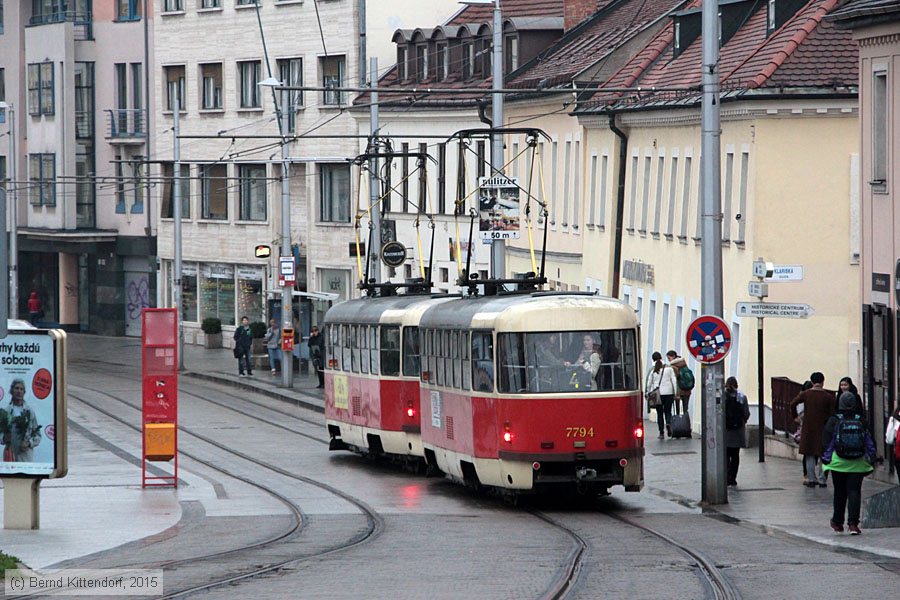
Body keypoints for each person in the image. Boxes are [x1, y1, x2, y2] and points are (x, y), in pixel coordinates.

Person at [821, 391, 876, 535]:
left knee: (839, 491)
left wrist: (825, 458)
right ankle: (853, 524)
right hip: (858, 462)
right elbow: (869, 440)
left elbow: (826, 441)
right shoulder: (861, 420)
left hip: (838, 462)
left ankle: (837, 522)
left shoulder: (834, 420)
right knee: (854, 491)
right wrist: (872, 457)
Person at [790, 372, 835, 488]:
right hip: (823, 429)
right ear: (823, 382)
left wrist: (795, 417)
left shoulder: (806, 394)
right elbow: (832, 414)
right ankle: (822, 479)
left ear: (811, 382)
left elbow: (793, 403)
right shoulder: (828, 396)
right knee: (824, 455)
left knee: (809, 454)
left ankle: (811, 478)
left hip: (808, 428)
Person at [0, 379, 42, 462]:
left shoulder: (29, 411)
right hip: (10, 455)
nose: (19, 391)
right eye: (16, 388)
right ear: (12, 391)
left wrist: (29, 443)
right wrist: (4, 438)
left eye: (21, 389)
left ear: (24, 392)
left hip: (26, 457)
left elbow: (37, 435)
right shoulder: (6, 412)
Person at [724, 377, 751, 487]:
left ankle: (727, 477)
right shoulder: (742, 396)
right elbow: (747, 413)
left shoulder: (723, 396)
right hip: (738, 431)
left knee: (725, 456)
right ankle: (733, 478)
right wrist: (742, 421)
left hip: (726, 431)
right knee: (735, 455)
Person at [646, 351, 678, 439]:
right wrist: (675, 393)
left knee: (659, 413)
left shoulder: (653, 370)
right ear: (661, 358)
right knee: (668, 411)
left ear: (653, 359)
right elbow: (674, 381)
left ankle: (661, 433)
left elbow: (649, 383)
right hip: (669, 393)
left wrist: (648, 392)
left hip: (658, 394)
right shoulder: (669, 368)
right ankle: (668, 423)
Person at [666, 350, 692, 416]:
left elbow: (675, 378)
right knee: (685, 408)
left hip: (679, 389)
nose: (668, 360)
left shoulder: (674, 366)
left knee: (677, 408)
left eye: (669, 358)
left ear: (673, 356)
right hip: (687, 388)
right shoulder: (683, 363)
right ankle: (686, 420)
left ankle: (678, 420)